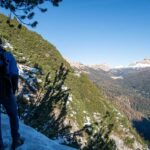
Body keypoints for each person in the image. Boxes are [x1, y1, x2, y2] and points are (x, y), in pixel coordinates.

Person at [0, 38, 24, 150]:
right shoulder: (7, 55)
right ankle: (16, 139)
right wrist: (13, 90)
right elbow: (14, 73)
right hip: (6, 90)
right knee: (13, 114)